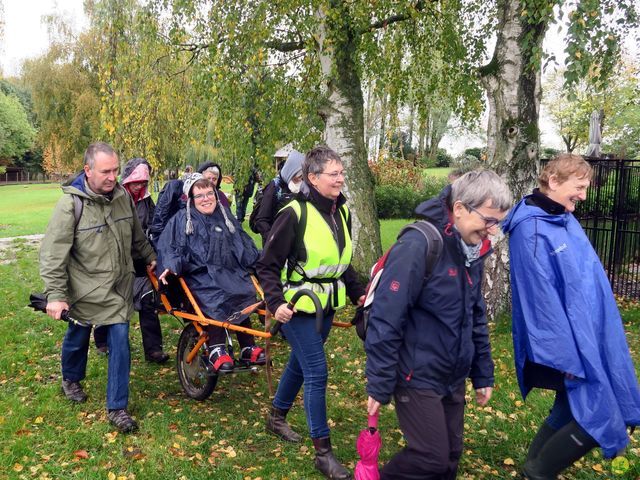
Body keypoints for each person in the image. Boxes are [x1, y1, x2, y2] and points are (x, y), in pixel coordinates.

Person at [365, 170, 512, 480]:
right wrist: (379, 383)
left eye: (497, 222)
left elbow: (475, 315)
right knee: (430, 458)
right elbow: (386, 317)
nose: (492, 231)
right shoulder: (420, 244)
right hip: (415, 374)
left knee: (450, 458)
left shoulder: (470, 249)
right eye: (488, 220)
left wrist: (482, 371)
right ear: (459, 209)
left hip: (451, 373)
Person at [502, 154, 640, 479]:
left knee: (567, 408)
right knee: (598, 416)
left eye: (585, 187)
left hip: (587, 334)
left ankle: (530, 471)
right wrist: (565, 357)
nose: (582, 195)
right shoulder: (532, 229)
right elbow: (539, 300)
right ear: (553, 181)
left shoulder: (561, 218)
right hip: (566, 346)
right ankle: (538, 473)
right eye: (578, 187)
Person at [257, 145, 365, 480]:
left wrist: (360, 292)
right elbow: (267, 266)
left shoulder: (340, 212)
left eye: (342, 173)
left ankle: (276, 416)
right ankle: (324, 454)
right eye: (334, 174)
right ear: (313, 178)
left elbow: (339, 263)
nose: (340, 179)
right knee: (317, 371)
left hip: (327, 307)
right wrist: (275, 305)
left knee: (300, 365)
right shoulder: (293, 213)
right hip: (297, 308)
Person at [39, 142, 156, 433]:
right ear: (88, 170)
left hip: (118, 289)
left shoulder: (123, 198)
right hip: (84, 289)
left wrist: (152, 258)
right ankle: (71, 378)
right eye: (106, 171)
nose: (113, 177)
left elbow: (137, 237)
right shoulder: (71, 204)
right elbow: (54, 253)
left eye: (116, 170)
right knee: (78, 335)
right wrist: (55, 295)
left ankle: (117, 407)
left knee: (120, 341)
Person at [155, 174, 265, 372]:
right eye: (200, 196)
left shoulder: (224, 216)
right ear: (191, 199)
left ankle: (248, 346)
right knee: (218, 294)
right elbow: (170, 248)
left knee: (242, 291)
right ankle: (216, 349)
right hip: (198, 276)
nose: (206, 199)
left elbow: (243, 243)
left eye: (209, 193)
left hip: (228, 271)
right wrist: (171, 265)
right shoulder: (181, 220)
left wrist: (261, 259)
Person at [93, 157, 169, 364]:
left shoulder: (146, 201)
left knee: (148, 300)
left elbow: (152, 227)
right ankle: (102, 340)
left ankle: (153, 349)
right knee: (111, 299)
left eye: (143, 183)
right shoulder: (115, 198)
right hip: (114, 260)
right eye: (136, 182)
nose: (139, 187)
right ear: (127, 180)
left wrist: (151, 255)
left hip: (139, 258)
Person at [251, 150, 305, 245]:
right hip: (274, 246)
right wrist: (273, 239)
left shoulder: (296, 188)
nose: (302, 181)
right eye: (300, 177)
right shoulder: (274, 187)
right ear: (291, 173)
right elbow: (261, 220)